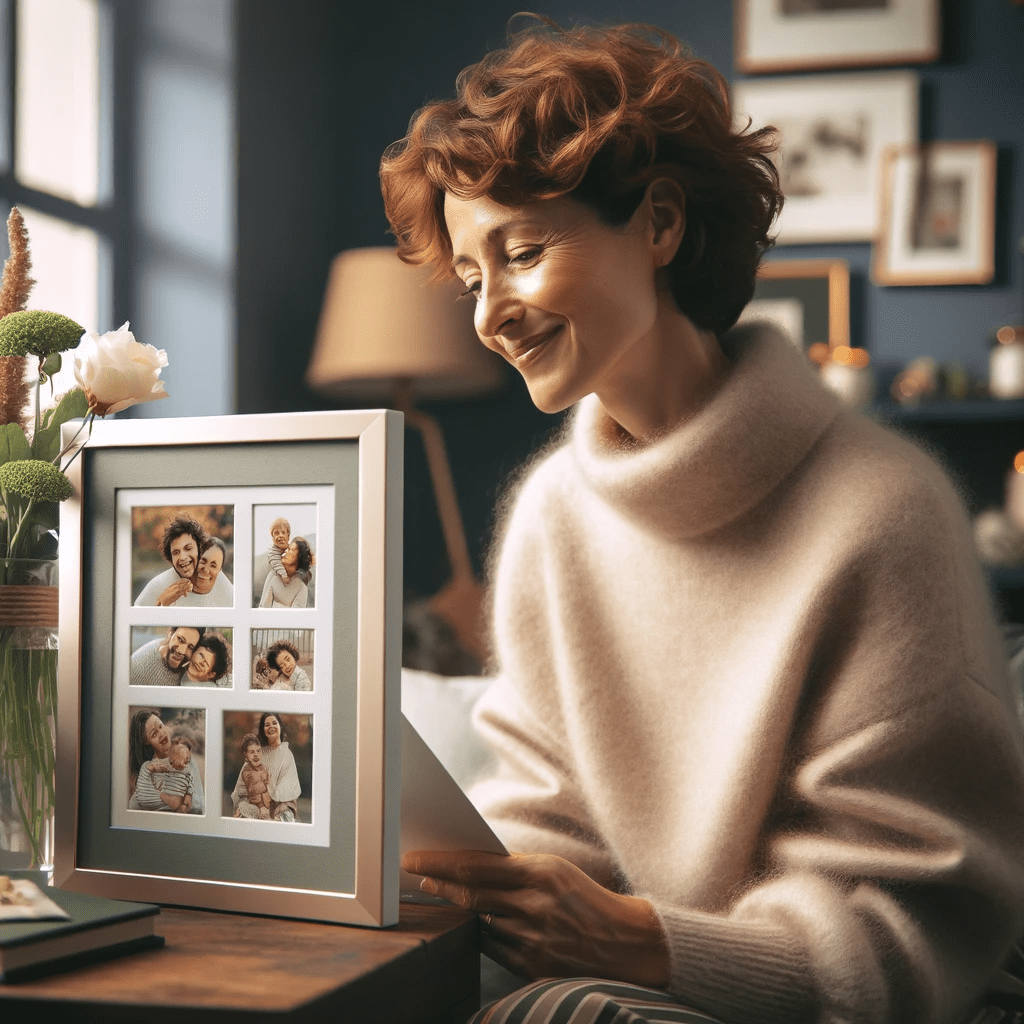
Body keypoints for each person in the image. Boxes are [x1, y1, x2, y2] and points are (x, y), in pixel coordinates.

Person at [380, 17, 1024, 1024]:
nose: (488, 312)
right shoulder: (551, 516)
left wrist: (645, 940)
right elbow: (550, 818)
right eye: (471, 277)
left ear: (660, 225)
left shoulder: (879, 511)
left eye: (524, 251)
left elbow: (910, 921)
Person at [128, 709, 205, 814]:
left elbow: (199, 806)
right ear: (146, 741)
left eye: (160, 726)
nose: (161, 733)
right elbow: (134, 806)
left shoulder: (186, 757)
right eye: (154, 734)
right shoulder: (148, 768)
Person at [230, 713, 301, 822]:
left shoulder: (287, 754)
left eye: (274, 723)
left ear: (280, 727)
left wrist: (271, 808)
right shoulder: (257, 753)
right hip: (255, 809)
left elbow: (287, 790)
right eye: (266, 725)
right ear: (263, 730)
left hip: (279, 811)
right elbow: (242, 786)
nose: (271, 727)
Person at [134, 513, 206, 606]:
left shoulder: (215, 577)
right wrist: (163, 602)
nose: (182, 557)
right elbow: (136, 618)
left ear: (199, 548)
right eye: (176, 552)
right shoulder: (158, 585)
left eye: (188, 548)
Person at [130, 626, 204, 686]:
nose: (182, 651)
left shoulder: (190, 668)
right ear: (171, 634)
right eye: (180, 640)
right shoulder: (138, 668)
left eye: (190, 647)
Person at [135, 738, 194, 813]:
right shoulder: (160, 765)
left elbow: (190, 781)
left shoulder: (187, 770)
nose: (187, 756)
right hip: (165, 802)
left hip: (177, 800)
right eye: (180, 752)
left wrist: (188, 795)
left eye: (187, 753)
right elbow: (144, 798)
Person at [259, 538, 313, 608]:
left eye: (291, 550)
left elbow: (297, 617)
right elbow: (263, 607)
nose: (286, 551)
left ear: (299, 557)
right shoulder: (273, 575)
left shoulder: (302, 588)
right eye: (288, 548)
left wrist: (274, 604)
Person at [233, 733, 271, 819]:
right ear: (246, 756)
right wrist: (262, 807)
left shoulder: (263, 768)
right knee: (245, 807)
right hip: (251, 802)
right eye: (251, 752)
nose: (256, 755)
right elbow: (254, 790)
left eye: (258, 751)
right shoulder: (248, 770)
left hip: (263, 801)